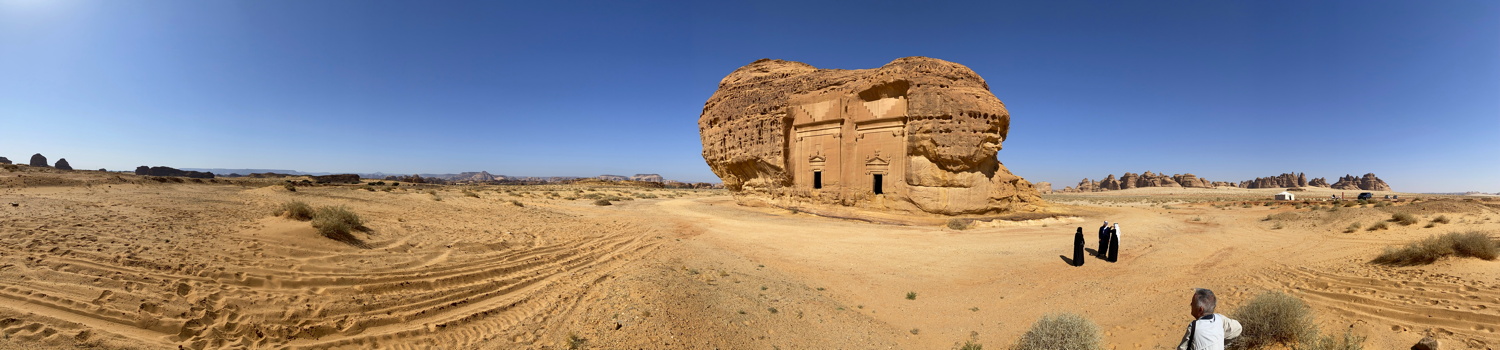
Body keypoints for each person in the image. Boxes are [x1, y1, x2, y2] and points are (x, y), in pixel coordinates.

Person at [1177, 288, 1243, 350]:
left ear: (1200, 309)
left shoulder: (1194, 327)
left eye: (1193, 303)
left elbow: (1182, 348)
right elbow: (1238, 328)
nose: (1190, 304)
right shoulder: (1219, 319)